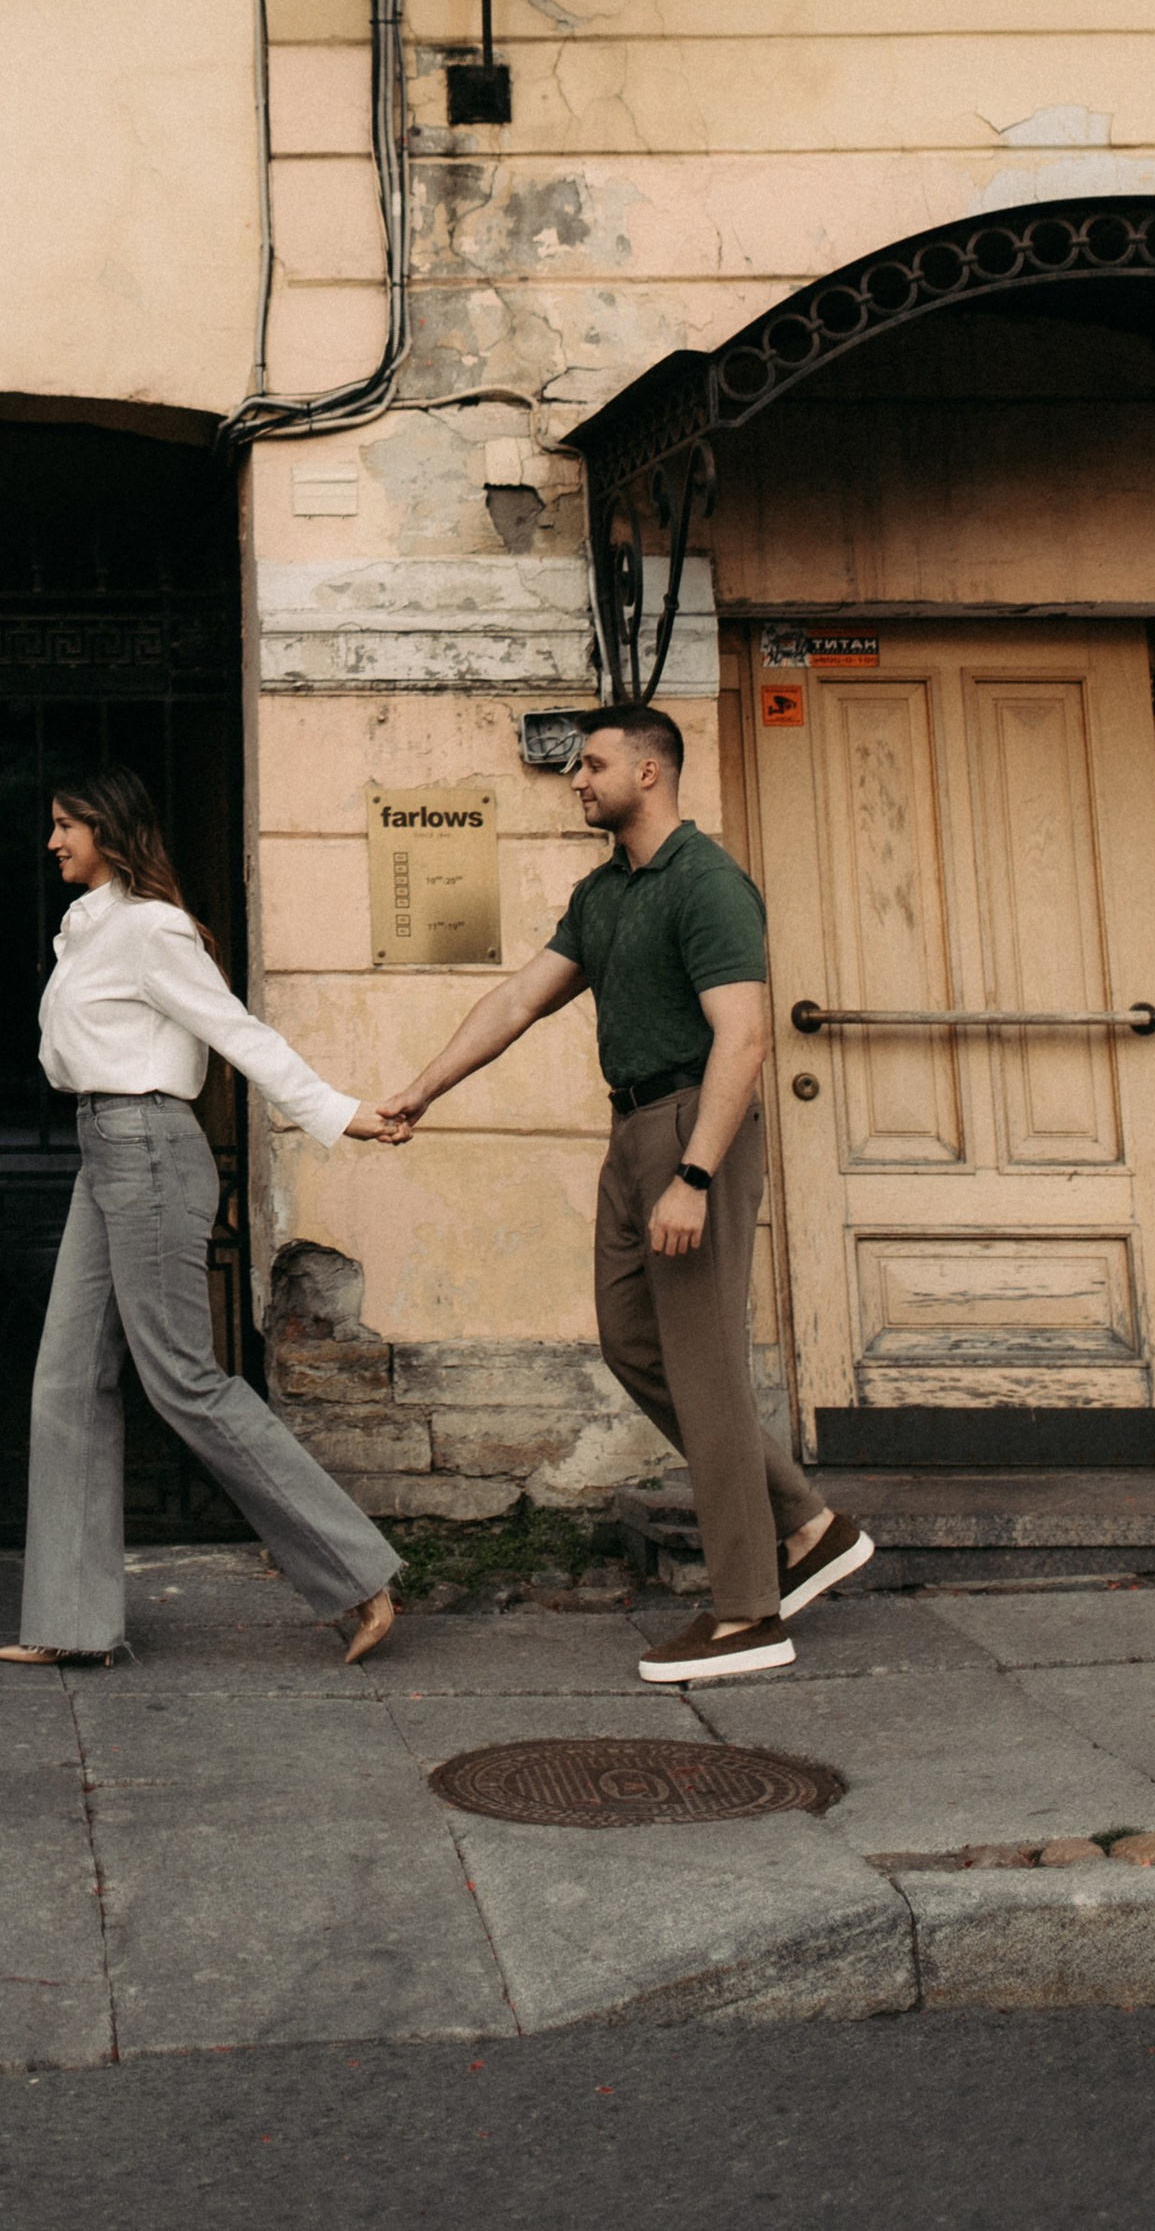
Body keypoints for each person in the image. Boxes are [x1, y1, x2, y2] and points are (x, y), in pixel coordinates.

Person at [377, 705, 873, 1687]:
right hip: (632, 1127)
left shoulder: (708, 882)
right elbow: (518, 998)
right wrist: (420, 1089)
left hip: (697, 1126)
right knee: (631, 1340)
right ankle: (809, 1526)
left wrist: (693, 1174)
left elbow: (744, 1036)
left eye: (593, 764)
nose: (576, 780)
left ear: (650, 771)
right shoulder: (603, 894)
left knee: (701, 1364)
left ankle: (745, 1612)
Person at [0, 765, 405, 1671]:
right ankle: (70, 1622)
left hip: (145, 1144)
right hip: (104, 1146)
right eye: (53, 825)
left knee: (181, 1377)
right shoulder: (85, 931)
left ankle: (358, 1576)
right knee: (65, 1384)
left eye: (67, 824)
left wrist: (340, 1112)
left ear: (110, 829)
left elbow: (238, 1033)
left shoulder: (151, 930)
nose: (53, 841)